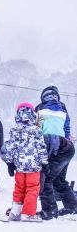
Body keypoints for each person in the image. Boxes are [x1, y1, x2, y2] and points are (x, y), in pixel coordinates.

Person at [0, 103, 47, 222]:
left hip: (19, 166)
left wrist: (10, 163)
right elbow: (41, 147)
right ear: (33, 114)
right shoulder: (36, 130)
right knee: (32, 189)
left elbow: (10, 147)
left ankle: (15, 213)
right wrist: (45, 162)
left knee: (19, 188)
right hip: (34, 166)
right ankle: (28, 214)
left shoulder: (14, 130)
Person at [36, 86, 76, 218]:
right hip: (67, 147)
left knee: (45, 178)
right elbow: (67, 130)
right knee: (59, 180)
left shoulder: (40, 110)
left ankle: (50, 210)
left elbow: (37, 129)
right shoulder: (64, 111)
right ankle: (72, 206)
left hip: (51, 146)